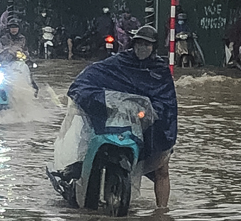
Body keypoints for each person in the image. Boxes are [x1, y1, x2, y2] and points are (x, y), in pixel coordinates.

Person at [66, 25, 177, 209]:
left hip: (147, 124)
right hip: (118, 121)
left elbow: (167, 103)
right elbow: (91, 76)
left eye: (147, 44)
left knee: (162, 169)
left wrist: (152, 112)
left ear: (154, 47)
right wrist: (92, 98)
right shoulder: (120, 62)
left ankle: (162, 213)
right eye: (139, 43)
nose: (142, 48)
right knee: (90, 147)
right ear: (133, 44)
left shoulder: (159, 71)